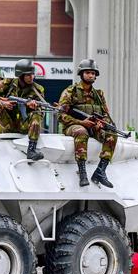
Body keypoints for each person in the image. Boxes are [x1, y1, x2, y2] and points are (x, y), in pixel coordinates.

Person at [57, 59, 117, 188]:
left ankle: (100, 172)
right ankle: (82, 172)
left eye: (93, 73)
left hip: (93, 126)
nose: (91, 75)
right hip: (73, 126)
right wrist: (81, 122)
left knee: (111, 132)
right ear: (81, 74)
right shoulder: (70, 91)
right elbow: (60, 115)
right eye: (88, 72)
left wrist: (102, 124)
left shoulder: (99, 95)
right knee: (81, 131)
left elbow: (105, 115)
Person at [0, 59, 44, 161]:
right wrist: (3, 103)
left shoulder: (38, 89)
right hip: (6, 123)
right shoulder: (8, 82)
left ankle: (32, 150)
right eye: (28, 75)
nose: (31, 77)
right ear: (21, 75)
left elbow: (42, 110)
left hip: (23, 125)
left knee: (36, 114)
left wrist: (32, 107)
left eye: (32, 74)